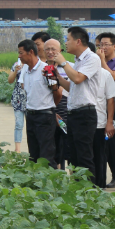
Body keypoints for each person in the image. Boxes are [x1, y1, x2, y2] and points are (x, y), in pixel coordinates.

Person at [50, 27, 101, 178]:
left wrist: (63, 62)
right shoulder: (78, 61)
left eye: (67, 39)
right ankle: (79, 190)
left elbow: (78, 78)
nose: (65, 43)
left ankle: (89, 193)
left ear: (78, 41)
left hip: (85, 114)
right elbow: (72, 86)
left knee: (84, 157)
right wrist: (57, 75)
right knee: (74, 157)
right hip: (73, 113)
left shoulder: (92, 58)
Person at [18, 39, 57, 168]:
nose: (19, 56)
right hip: (31, 115)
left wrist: (51, 110)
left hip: (44, 116)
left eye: (21, 53)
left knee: (46, 155)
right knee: (33, 154)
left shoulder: (46, 69)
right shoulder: (26, 71)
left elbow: (57, 93)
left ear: (30, 52)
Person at [97, 32, 115, 189]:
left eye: (106, 44)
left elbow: (112, 76)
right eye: (101, 44)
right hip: (103, 104)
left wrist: (101, 61)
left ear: (114, 46)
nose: (103, 47)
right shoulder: (98, 62)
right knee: (105, 144)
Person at [87, 42, 115, 188]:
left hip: (99, 123)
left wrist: (109, 122)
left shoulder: (105, 74)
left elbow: (110, 100)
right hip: (81, 124)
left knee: (99, 157)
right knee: (83, 157)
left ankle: (100, 187)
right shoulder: (75, 73)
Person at [44, 39, 69, 169]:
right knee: (51, 145)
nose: (50, 52)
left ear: (60, 51)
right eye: (47, 49)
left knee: (65, 145)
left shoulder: (69, 66)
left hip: (65, 107)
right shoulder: (41, 68)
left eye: (53, 49)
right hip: (47, 109)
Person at [8, 59, 27, 153]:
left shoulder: (34, 65)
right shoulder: (16, 64)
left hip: (30, 98)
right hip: (18, 98)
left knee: (32, 125)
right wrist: (16, 71)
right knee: (19, 124)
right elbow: (10, 80)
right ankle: (17, 149)